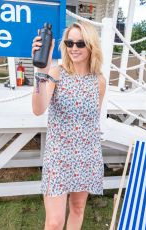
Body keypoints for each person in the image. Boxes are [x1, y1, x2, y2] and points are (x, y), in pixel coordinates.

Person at [32, 20, 106, 230]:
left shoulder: (99, 81)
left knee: (78, 208)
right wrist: (40, 72)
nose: (74, 48)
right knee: (54, 222)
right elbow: (38, 109)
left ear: (91, 45)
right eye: (69, 42)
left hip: (86, 153)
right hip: (59, 155)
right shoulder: (56, 73)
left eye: (80, 43)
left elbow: (93, 119)